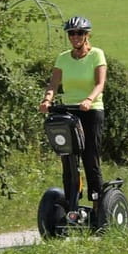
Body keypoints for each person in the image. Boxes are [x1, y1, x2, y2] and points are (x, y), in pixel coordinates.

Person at [39, 16, 107, 207]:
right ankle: (71, 203)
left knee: (90, 158)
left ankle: (97, 202)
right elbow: (53, 84)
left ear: (87, 35)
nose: (75, 37)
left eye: (79, 33)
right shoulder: (63, 58)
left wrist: (88, 99)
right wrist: (47, 100)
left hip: (91, 110)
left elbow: (100, 83)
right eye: (71, 33)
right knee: (68, 158)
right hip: (69, 112)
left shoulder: (96, 55)